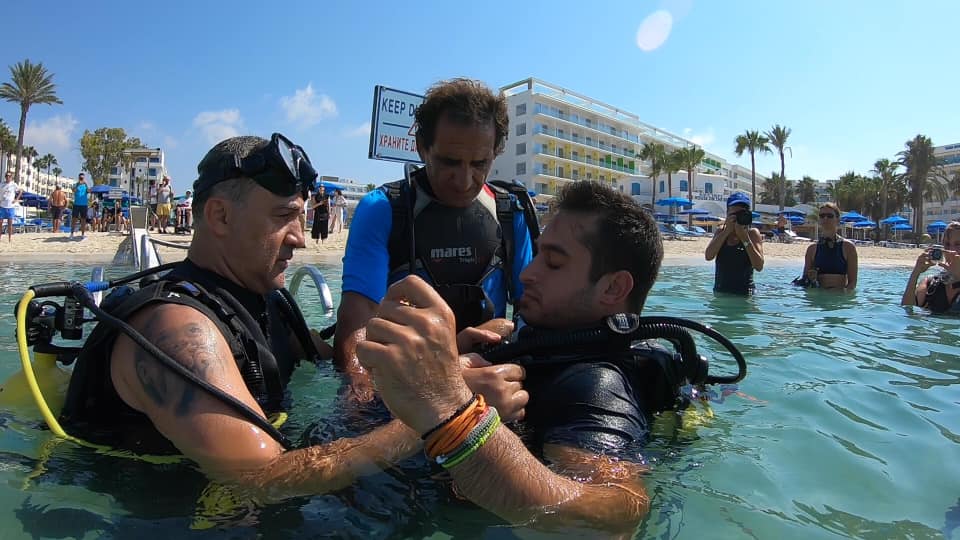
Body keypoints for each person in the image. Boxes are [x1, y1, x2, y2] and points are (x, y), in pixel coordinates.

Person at [58, 133, 430, 501]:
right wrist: (435, 417)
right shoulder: (175, 329)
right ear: (220, 216)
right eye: (284, 217)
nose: (299, 238)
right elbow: (263, 476)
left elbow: (336, 365)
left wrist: (449, 364)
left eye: (300, 218)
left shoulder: (267, 302)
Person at [357, 181, 662, 534]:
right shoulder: (532, 337)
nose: (526, 274)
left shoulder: (596, 385)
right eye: (537, 256)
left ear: (612, 288)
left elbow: (617, 511)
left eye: (553, 263)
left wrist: (457, 417)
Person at [334, 78, 536, 400]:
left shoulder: (511, 213)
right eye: (449, 162)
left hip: (490, 382)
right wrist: (360, 393)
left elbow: (535, 312)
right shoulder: (383, 209)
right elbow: (356, 330)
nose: (464, 180)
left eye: (480, 163)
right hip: (406, 387)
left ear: (495, 153)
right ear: (422, 148)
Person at [704, 192, 764, 294]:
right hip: (721, 293)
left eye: (741, 214)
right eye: (734, 215)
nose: (737, 218)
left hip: (745, 295)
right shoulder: (721, 232)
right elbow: (708, 256)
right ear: (727, 215)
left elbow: (759, 266)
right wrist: (726, 231)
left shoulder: (752, 234)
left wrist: (744, 238)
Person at [902, 221, 960, 312]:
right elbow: (908, 312)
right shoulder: (930, 284)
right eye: (947, 244)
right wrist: (915, 274)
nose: (952, 250)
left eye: (958, 244)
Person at [802, 202, 858, 290]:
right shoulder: (812, 249)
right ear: (819, 220)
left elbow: (852, 283)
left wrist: (843, 297)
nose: (825, 218)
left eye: (829, 216)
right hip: (818, 298)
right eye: (822, 216)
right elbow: (804, 281)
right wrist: (810, 278)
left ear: (838, 219)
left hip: (839, 298)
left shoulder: (848, 247)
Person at [1, 170, 21, 242]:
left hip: (10, 206)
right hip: (2, 206)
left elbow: (21, 191)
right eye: (7, 176)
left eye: (9, 176)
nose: (8, 177)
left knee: (10, 223)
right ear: (5, 177)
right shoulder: (1, 184)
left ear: (11, 177)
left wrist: (16, 199)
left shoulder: (13, 184)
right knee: (0, 223)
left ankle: (9, 238)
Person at [70, 173, 89, 239]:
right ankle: (72, 234)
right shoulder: (75, 185)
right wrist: (78, 184)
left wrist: (86, 184)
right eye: (80, 178)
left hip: (84, 205)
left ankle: (82, 234)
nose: (81, 179)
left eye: (82, 178)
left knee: (83, 220)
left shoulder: (86, 185)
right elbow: (73, 190)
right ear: (78, 178)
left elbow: (88, 191)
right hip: (76, 204)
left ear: (84, 178)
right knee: (74, 219)